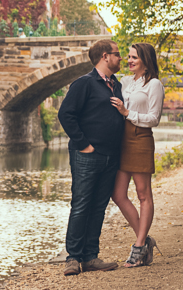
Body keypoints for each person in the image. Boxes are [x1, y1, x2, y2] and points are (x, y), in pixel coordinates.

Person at [50, 39, 126, 276]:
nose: (121, 58)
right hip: (87, 155)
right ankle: (73, 257)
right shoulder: (84, 83)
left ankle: (91, 257)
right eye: (117, 54)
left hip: (110, 156)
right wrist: (84, 145)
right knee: (81, 204)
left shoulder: (116, 85)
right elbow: (66, 114)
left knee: (99, 206)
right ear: (105, 56)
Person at [109, 42, 164, 267]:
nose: (129, 61)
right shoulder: (124, 82)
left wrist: (127, 112)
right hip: (122, 139)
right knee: (118, 194)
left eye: (134, 57)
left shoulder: (154, 85)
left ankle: (139, 246)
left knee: (143, 194)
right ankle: (145, 240)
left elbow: (154, 118)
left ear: (145, 60)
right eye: (128, 57)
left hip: (141, 138)